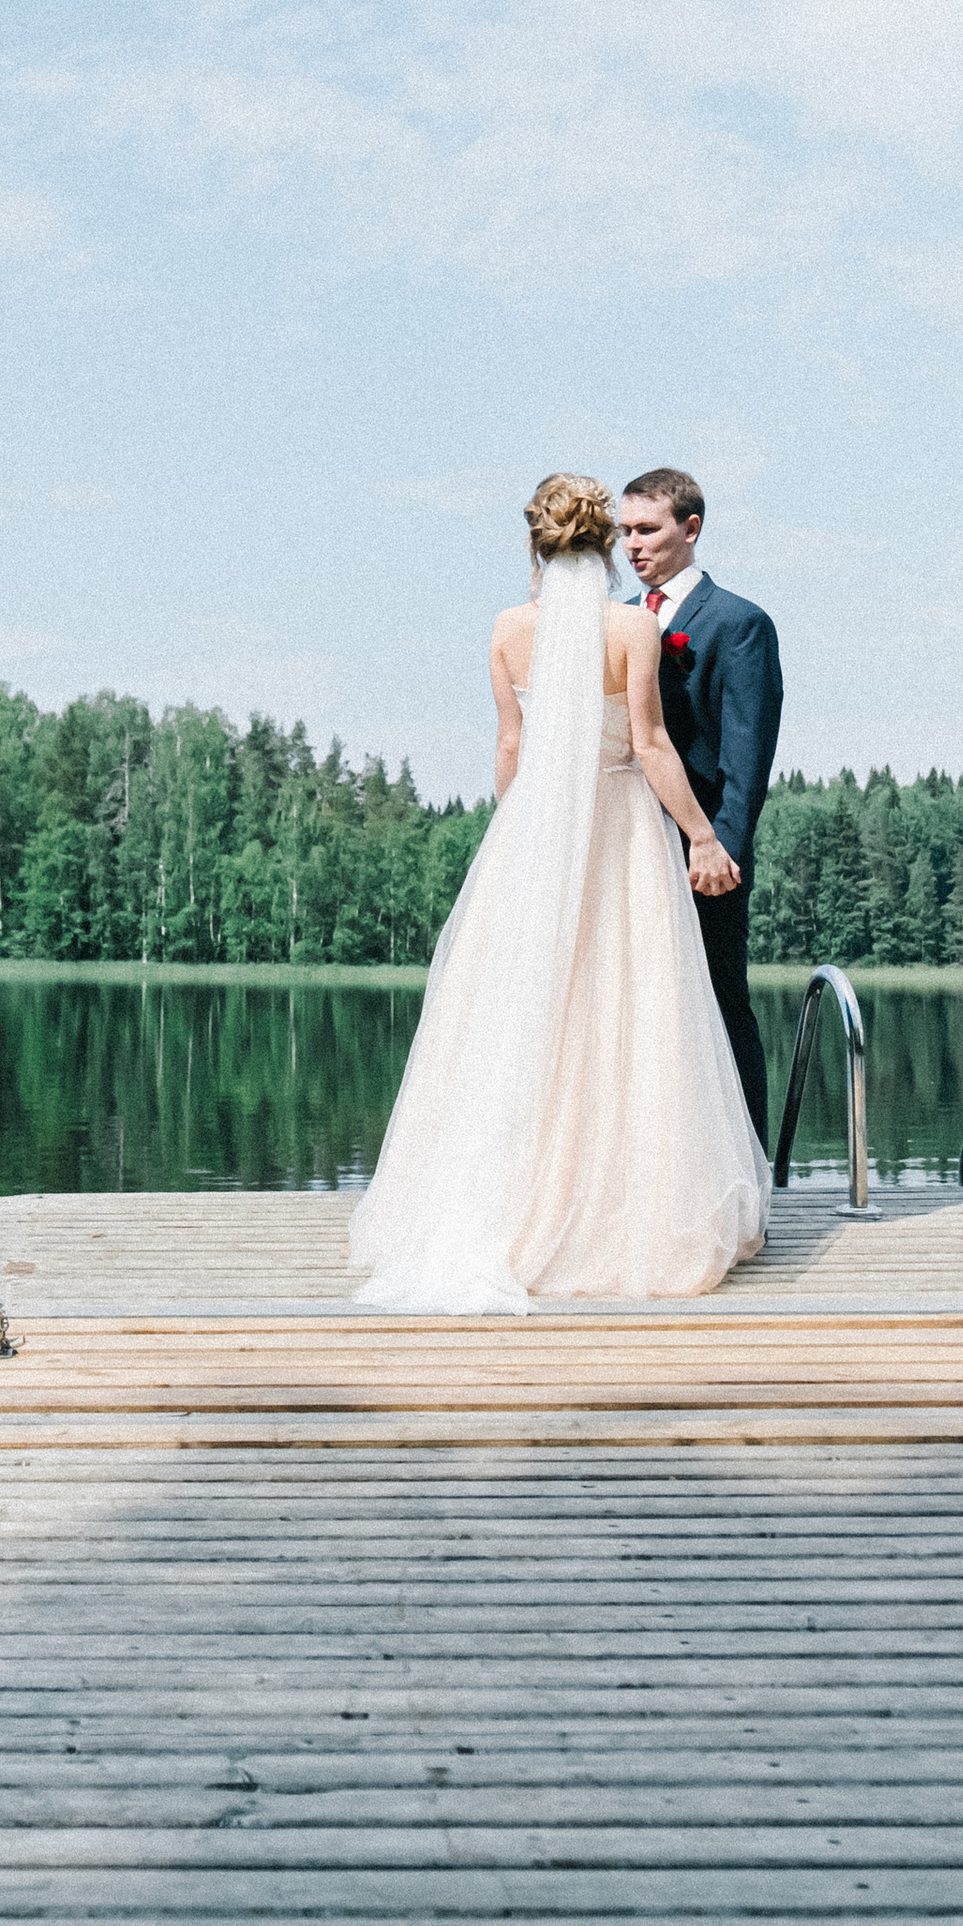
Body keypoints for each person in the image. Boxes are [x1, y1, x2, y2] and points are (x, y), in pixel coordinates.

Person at [348, 473, 767, 1310]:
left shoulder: (507, 630)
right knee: (632, 1014)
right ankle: (624, 1208)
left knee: (517, 1019)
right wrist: (702, 833)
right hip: (619, 831)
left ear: (534, 545)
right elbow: (650, 747)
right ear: (607, 545)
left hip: (533, 833)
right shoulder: (627, 630)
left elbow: (511, 747)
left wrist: (522, 836)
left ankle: (503, 1202)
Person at [617, 467, 783, 1144]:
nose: (632, 545)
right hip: (627, 845)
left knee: (720, 1005)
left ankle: (749, 1177)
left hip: (702, 852)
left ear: (691, 528)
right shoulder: (620, 622)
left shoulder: (739, 623)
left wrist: (723, 850)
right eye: (624, 532)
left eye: (647, 530)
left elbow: (747, 753)